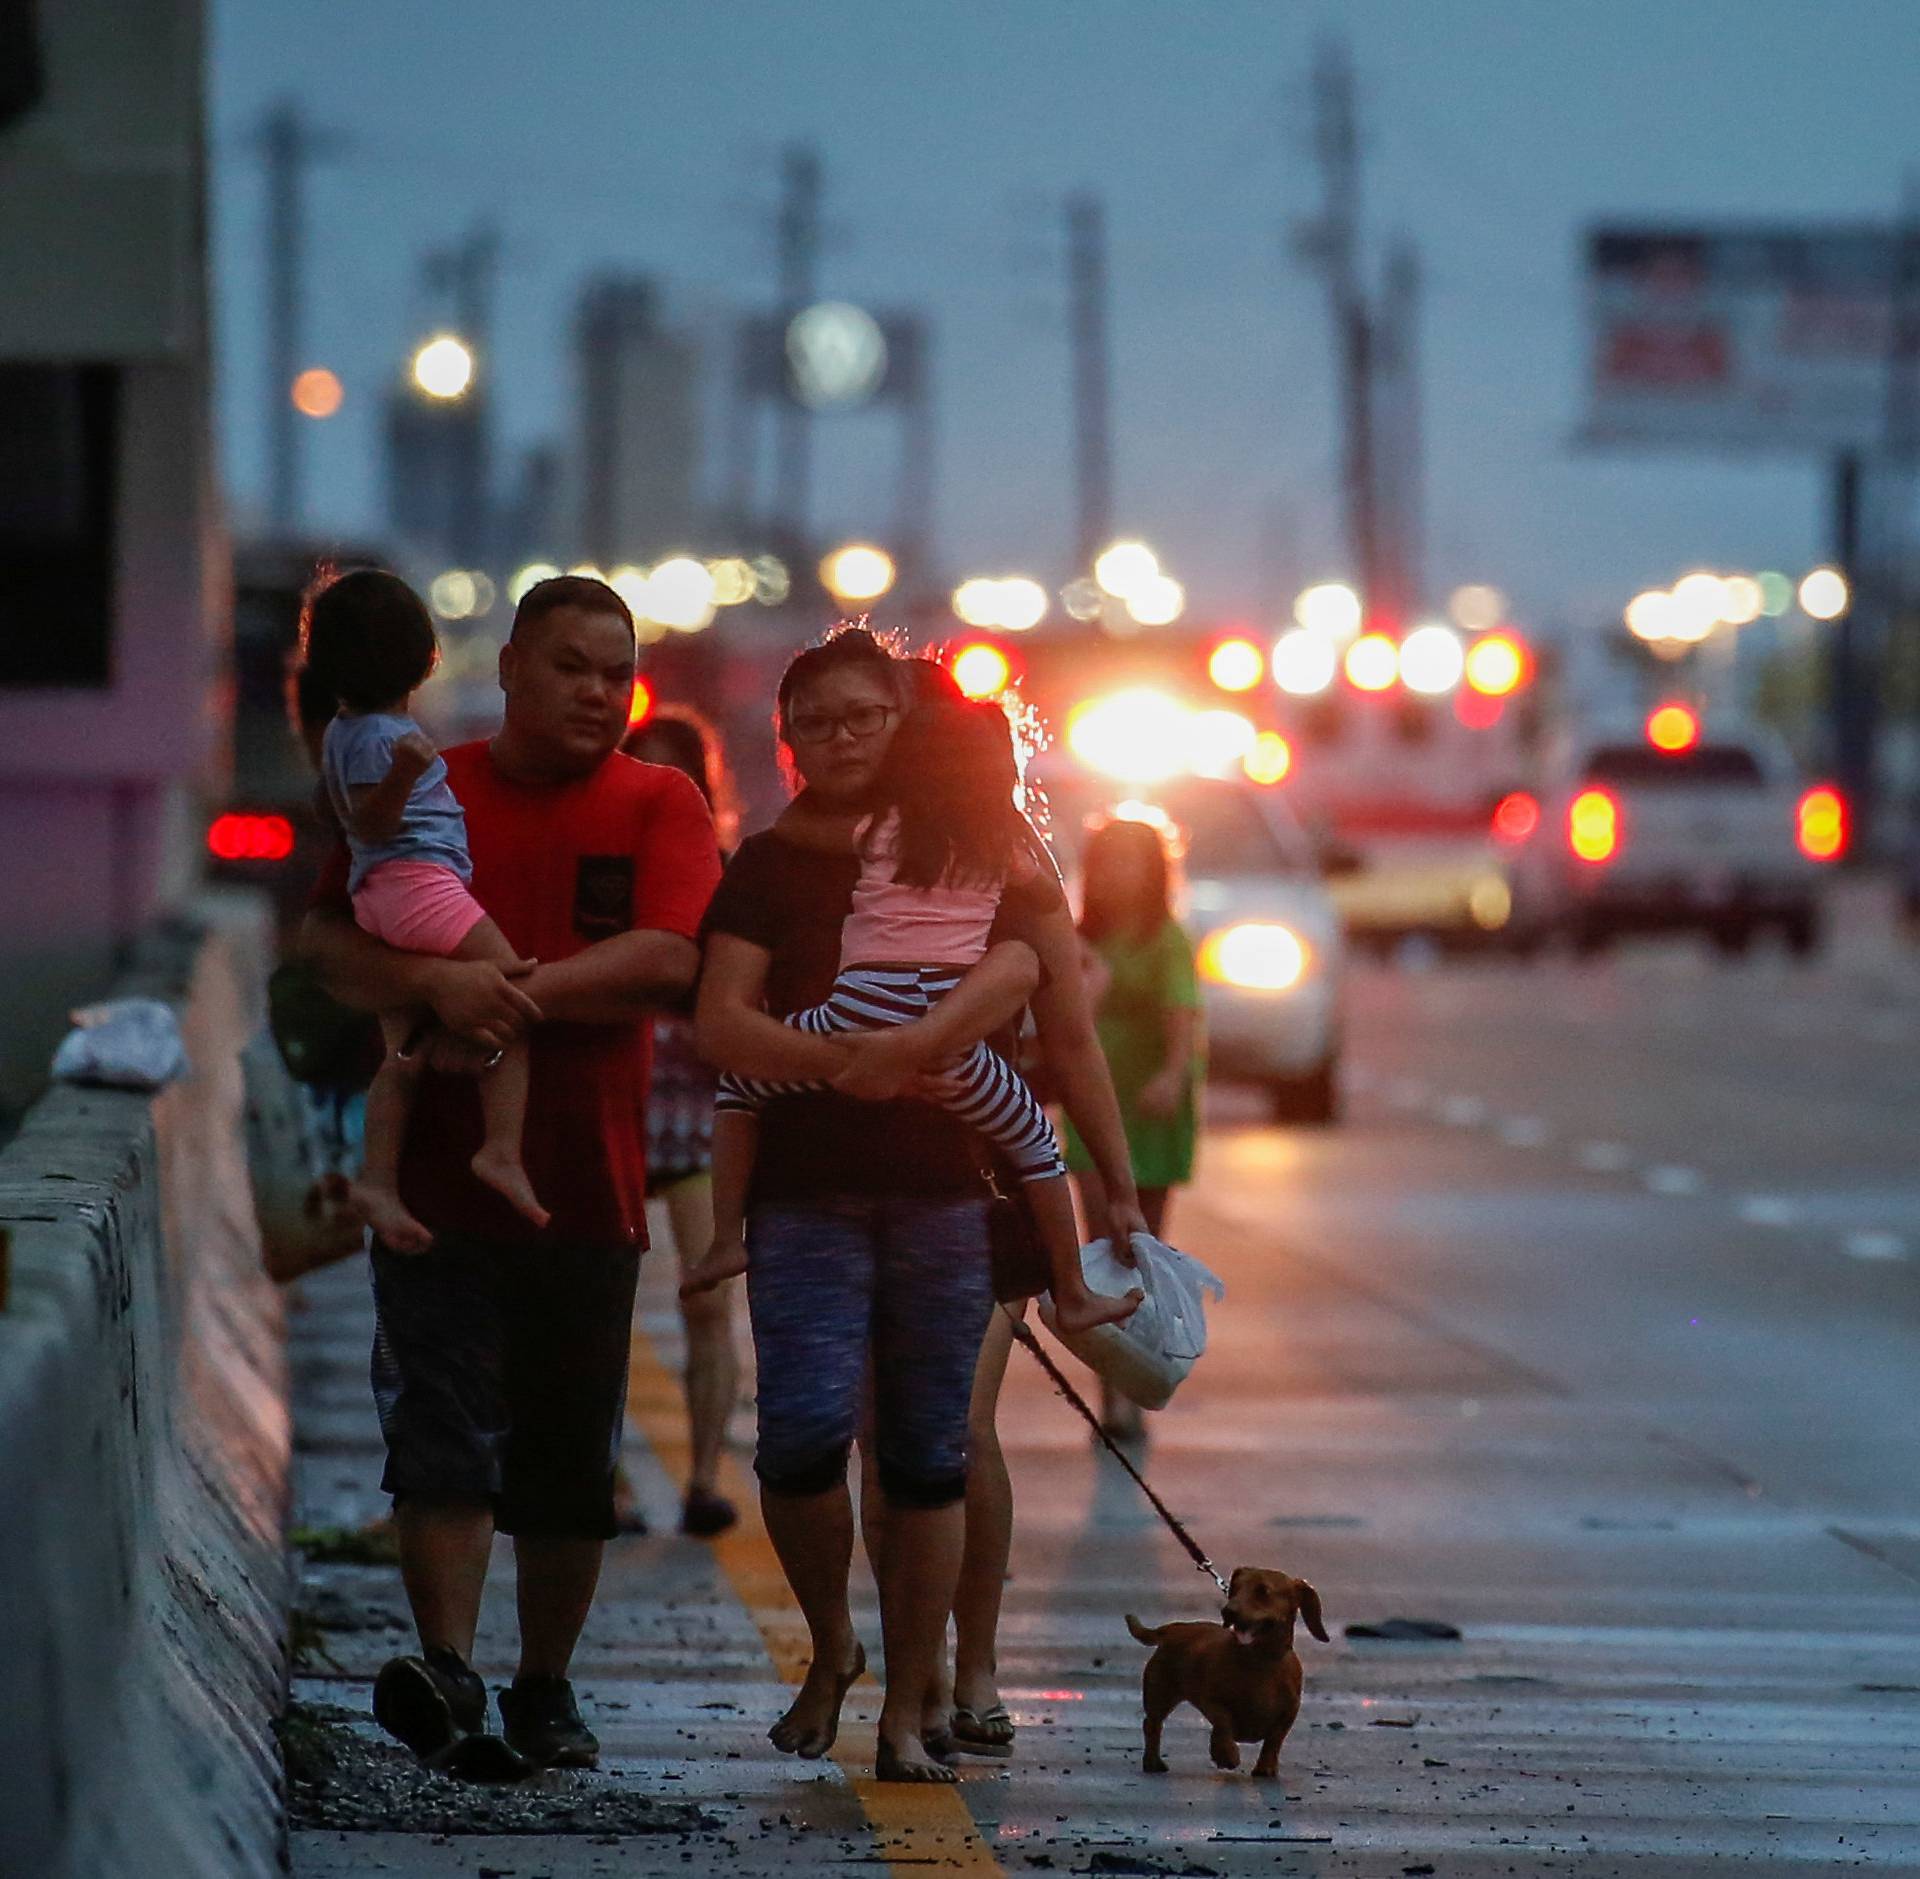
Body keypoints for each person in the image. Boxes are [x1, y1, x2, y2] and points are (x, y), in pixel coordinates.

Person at [696, 626, 1147, 1783]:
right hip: (805, 1195)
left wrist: (1121, 1190)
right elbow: (721, 1026)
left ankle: (925, 1695)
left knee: (932, 1453)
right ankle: (838, 1646)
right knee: (798, 1443)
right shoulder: (769, 862)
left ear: (904, 724)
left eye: (865, 716)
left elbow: (1071, 1036)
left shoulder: (990, 848)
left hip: (956, 1194)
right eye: (817, 721)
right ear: (787, 739)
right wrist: (843, 1063)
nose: (842, 737)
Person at [300, 574, 721, 1776]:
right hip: (430, 1193)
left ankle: (546, 1684)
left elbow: (670, 959)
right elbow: (329, 942)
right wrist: (433, 983)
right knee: (436, 1436)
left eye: (616, 671)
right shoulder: (437, 786)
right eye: (573, 666)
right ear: (514, 670)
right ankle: (447, 1666)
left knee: (565, 1464)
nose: (599, 691)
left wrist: (501, 993)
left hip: (589, 1184)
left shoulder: (659, 799)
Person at [683, 690, 1141, 1340]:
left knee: (739, 1089)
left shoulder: (879, 825)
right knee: (1036, 1143)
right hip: (951, 1035)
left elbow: (800, 832)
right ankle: (1070, 1289)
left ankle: (725, 1238)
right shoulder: (1002, 841)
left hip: (859, 1006)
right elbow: (1043, 904)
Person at [301, 569, 547, 1250]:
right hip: (419, 884)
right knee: (513, 996)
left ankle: (378, 1179)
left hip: (379, 896)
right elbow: (374, 825)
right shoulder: (386, 737)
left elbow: (334, 813)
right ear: (423, 656)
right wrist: (408, 772)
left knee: (400, 1056)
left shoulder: (339, 734)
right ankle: (501, 1147)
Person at [614, 705, 743, 1538]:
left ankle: (702, 1477)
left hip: (699, 1114)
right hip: (612, 1106)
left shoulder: (727, 877)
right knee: (599, 1308)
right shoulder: (603, 866)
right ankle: (611, 1481)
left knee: (707, 1300)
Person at [1063, 814, 1203, 1440]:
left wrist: (1173, 1075)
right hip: (1095, 1106)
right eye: (1108, 862)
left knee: (1142, 1248)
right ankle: (1110, 1398)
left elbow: (1181, 1015)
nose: (1119, 875)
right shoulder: (1077, 937)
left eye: (1132, 862)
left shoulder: (1164, 938)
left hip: (1150, 1108)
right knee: (1101, 1252)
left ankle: (1138, 1379)